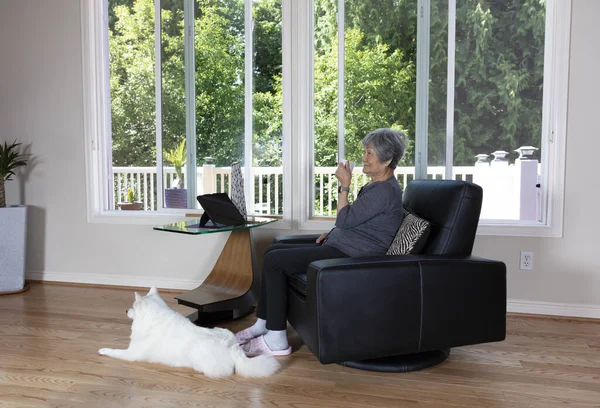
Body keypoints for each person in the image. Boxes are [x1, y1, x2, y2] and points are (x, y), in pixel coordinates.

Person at [236, 128, 407, 356]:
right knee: (274, 250)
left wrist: (344, 185)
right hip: (343, 245)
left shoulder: (383, 191)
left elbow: (344, 219)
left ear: (387, 159)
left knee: (276, 261)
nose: (364, 158)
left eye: (369, 153)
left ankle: (276, 337)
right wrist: (334, 233)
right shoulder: (378, 186)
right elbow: (358, 223)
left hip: (353, 256)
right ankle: (264, 322)